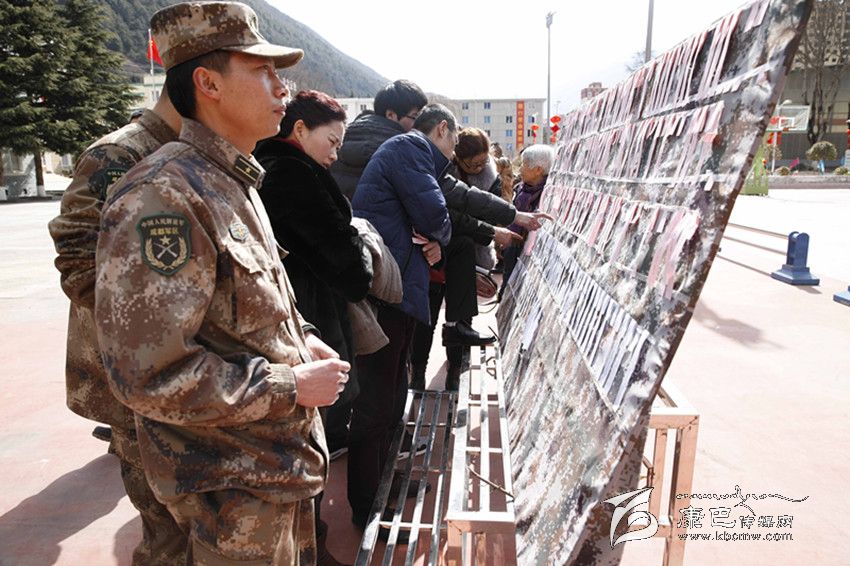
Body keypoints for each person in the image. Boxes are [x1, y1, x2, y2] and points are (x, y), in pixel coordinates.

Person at [95, 3, 348, 563]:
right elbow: (148, 374)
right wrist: (289, 385)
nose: (282, 89)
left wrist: (301, 338)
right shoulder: (164, 195)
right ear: (208, 84)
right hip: (228, 495)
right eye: (263, 71)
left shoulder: (231, 179)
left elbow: (245, 306)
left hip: (271, 474)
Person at [48, 86, 187, 563]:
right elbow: (79, 261)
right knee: (166, 531)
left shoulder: (192, 151)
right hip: (138, 372)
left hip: (185, 375)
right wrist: (154, 336)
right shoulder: (119, 154)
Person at [254, 89, 373, 566]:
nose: (336, 153)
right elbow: (350, 269)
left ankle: (310, 544)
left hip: (296, 320)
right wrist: (361, 245)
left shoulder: (269, 168)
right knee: (309, 445)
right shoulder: (294, 176)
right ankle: (311, 548)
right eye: (332, 140)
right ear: (300, 130)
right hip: (311, 323)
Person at [347, 103, 453, 534]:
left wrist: (436, 239)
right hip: (389, 293)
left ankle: (385, 484)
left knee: (392, 398)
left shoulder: (409, 152)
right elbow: (435, 215)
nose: (452, 149)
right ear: (442, 129)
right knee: (376, 403)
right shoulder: (412, 148)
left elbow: (432, 219)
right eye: (453, 139)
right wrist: (439, 235)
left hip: (398, 290)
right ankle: (367, 505)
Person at [330, 79, 428, 200]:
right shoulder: (400, 152)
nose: (420, 125)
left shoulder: (339, 145)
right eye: (415, 117)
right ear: (391, 115)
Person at [501, 144, 556, 299]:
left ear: (538, 170)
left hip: (529, 252)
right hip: (512, 247)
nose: (520, 169)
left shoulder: (547, 194)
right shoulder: (521, 189)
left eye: (524, 164)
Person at [453, 127, 500, 196]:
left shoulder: (493, 180)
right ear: (458, 158)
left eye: (484, 162)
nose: (479, 168)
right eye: (474, 165)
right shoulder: (448, 177)